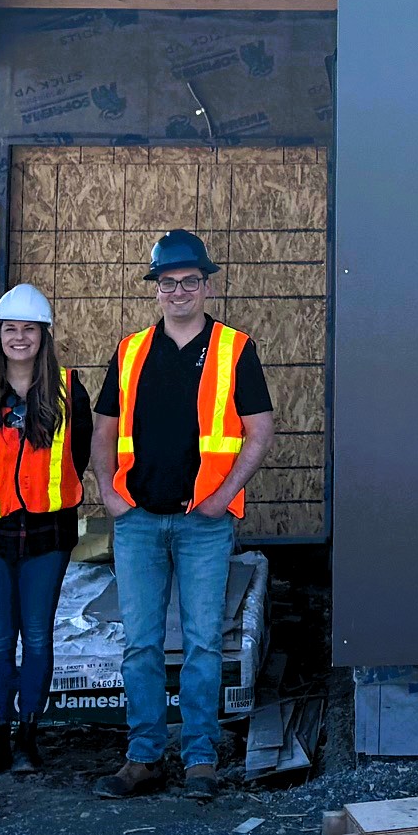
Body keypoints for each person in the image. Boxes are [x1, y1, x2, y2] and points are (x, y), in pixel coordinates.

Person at [88, 229, 275, 801]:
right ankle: (143, 757)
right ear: (157, 290)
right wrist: (108, 493)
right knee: (140, 643)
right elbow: (102, 431)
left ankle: (200, 758)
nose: (178, 292)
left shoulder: (234, 349)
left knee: (200, 642)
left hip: (204, 523)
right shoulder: (130, 352)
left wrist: (223, 496)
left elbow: (261, 430)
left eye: (188, 282)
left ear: (206, 285)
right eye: (167, 283)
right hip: (139, 520)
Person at [0, 284, 89, 774]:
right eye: (11, 329)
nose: (20, 338)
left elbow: (81, 453)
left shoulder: (70, 391)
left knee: (40, 636)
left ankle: (30, 735)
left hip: (48, 535)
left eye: (30, 329)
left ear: (44, 336)